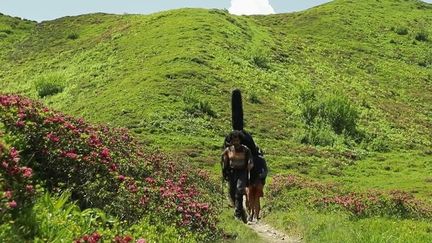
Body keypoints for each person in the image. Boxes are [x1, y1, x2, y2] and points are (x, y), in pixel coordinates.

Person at [222, 130, 253, 223]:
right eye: (233, 140)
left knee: (239, 191)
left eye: (237, 140)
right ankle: (240, 212)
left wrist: (250, 165)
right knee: (232, 192)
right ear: (231, 141)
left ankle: (238, 215)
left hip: (242, 172)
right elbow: (225, 162)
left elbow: (250, 160)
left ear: (240, 140)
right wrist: (224, 171)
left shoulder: (246, 149)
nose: (236, 142)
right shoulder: (228, 150)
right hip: (231, 172)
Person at [246, 152, 267, 222]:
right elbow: (265, 171)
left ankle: (251, 214)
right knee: (256, 199)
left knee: (250, 198)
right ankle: (256, 215)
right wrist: (261, 178)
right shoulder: (262, 159)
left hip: (250, 181)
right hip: (259, 181)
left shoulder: (248, 158)